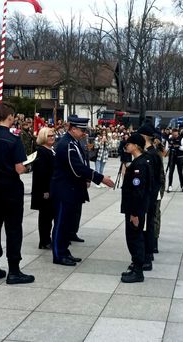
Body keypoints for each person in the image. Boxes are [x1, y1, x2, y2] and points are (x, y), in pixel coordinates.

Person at [50, 115, 114, 266]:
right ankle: (58, 254)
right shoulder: (66, 144)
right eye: (82, 130)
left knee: (67, 223)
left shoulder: (74, 142)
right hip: (64, 190)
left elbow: (82, 163)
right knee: (61, 223)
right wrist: (99, 178)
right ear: (72, 129)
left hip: (71, 190)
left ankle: (65, 251)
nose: (84, 133)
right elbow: (76, 168)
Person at [0, 102, 35, 285]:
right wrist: (29, 167)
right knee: (13, 228)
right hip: (11, 188)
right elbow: (19, 169)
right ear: (11, 117)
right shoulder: (14, 140)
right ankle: (14, 270)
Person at [120, 133, 151, 283]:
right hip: (133, 208)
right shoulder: (138, 162)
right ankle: (135, 266)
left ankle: (138, 271)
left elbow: (138, 191)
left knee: (134, 238)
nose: (127, 146)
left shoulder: (139, 164)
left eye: (129, 143)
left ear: (136, 146)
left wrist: (134, 213)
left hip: (135, 210)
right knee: (132, 237)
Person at [137, 123, 164, 265]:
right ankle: (147, 253)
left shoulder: (151, 155)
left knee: (148, 223)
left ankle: (147, 256)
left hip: (149, 195)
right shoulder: (150, 153)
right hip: (150, 194)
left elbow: (155, 178)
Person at [31, 127, 56, 249]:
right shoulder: (42, 151)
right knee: (45, 217)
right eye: (49, 136)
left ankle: (48, 238)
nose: (52, 137)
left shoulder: (51, 150)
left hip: (52, 188)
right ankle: (44, 240)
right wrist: (45, 190)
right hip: (45, 190)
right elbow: (42, 173)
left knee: (49, 216)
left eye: (53, 135)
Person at [166, 128, 183, 193]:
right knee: (171, 172)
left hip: (179, 157)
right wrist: (169, 147)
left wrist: (178, 146)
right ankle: (170, 186)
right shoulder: (169, 139)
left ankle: (182, 186)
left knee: (180, 172)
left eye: (176, 135)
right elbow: (166, 149)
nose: (175, 136)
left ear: (178, 133)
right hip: (172, 157)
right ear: (172, 133)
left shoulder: (181, 138)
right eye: (174, 135)